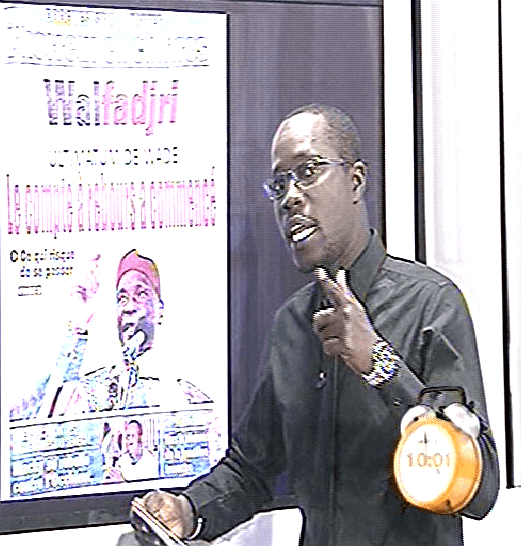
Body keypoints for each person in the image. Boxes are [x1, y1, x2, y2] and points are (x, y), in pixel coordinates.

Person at [130, 104, 499, 545]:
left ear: (356, 180)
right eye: (279, 184)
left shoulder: (430, 303)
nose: (290, 197)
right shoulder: (292, 324)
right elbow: (251, 469)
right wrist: (188, 510)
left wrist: (380, 365)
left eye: (308, 172)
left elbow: (480, 489)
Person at [13, 249, 212, 420]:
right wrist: (78, 324)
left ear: (160, 310)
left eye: (141, 294)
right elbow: (46, 413)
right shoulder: (97, 388)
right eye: (122, 298)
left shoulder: (183, 395)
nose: (129, 307)